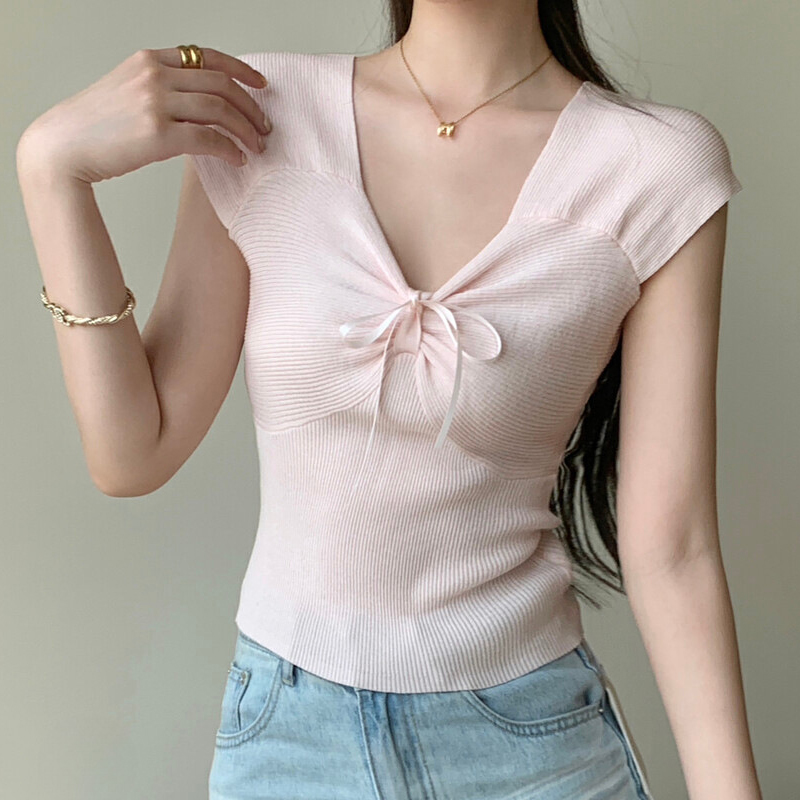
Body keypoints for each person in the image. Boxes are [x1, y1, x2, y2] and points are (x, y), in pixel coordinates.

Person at [16, 1, 763, 798]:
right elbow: (134, 453)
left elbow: (673, 550)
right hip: (288, 743)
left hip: (534, 748)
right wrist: (50, 173)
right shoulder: (260, 114)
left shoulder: (654, 166)